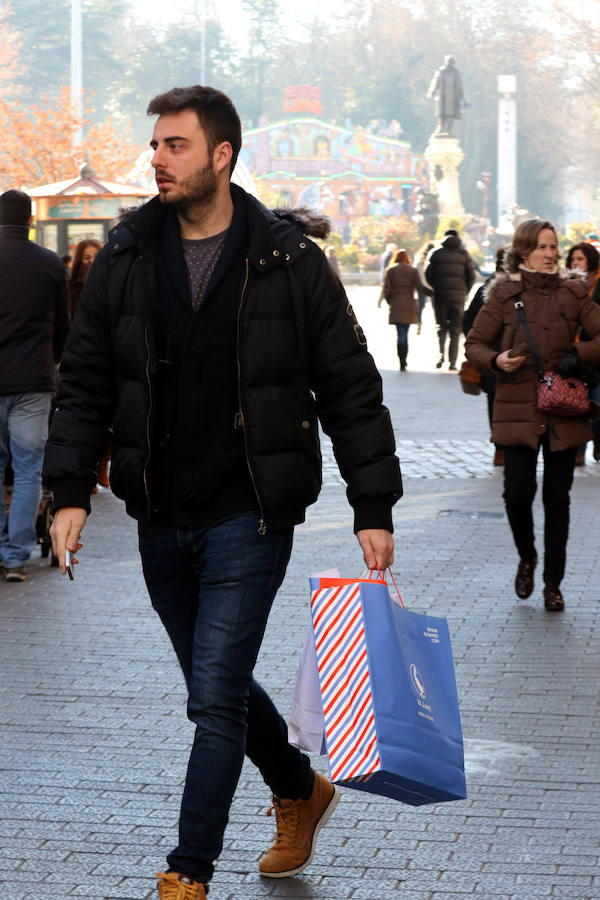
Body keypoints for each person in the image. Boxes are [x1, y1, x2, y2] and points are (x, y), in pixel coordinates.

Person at [43, 85, 402, 900]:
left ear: (221, 156)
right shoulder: (128, 254)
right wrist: (68, 489)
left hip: (252, 508)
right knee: (221, 687)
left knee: (211, 703)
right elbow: (88, 380)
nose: (157, 159)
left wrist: (371, 505)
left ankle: (187, 870)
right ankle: (298, 786)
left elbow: (350, 385)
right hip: (160, 511)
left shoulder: (289, 262)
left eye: (175, 145)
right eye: (156, 145)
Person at [465, 219, 600, 612]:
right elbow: (475, 343)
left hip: (563, 410)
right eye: (542, 247)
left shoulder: (574, 293)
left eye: (553, 246)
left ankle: (552, 584)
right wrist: (496, 360)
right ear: (523, 251)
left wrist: (583, 354)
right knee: (516, 495)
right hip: (517, 408)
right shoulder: (504, 296)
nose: (549, 253)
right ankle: (528, 555)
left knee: (558, 499)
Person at [0, 189, 69, 582]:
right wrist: (52, 360)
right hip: (32, 381)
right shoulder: (48, 264)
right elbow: (62, 326)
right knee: (28, 471)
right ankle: (16, 557)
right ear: (31, 220)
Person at [462, 247, 506, 466]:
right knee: (494, 400)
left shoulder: (524, 289)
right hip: (491, 357)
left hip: (514, 359)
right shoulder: (486, 290)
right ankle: (499, 447)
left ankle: (506, 446)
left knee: (502, 402)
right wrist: (479, 344)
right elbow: (468, 320)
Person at [565, 242, 600, 465]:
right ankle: (578, 450)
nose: (576, 263)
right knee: (575, 404)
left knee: (596, 402)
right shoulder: (566, 285)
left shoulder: (598, 284)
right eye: (573, 259)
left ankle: (597, 443)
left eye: (581, 259)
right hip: (573, 354)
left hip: (596, 354)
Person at [426, 228, 476, 370]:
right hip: (459, 297)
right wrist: (465, 289)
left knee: (441, 327)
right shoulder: (464, 254)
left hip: (440, 296)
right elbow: (471, 276)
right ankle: (453, 362)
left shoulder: (436, 253)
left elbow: (428, 274)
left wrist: (436, 286)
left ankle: (441, 354)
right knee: (455, 329)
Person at [382, 248, 433, 371]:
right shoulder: (412, 270)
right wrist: (432, 292)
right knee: (405, 333)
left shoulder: (391, 270)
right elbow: (420, 286)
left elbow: (386, 290)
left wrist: (391, 302)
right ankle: (405, 361)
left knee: (400, 334)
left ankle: (401, 361)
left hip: (396, 306)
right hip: (409, 306)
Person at [426, 55, 465, 135]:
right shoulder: (441, 71)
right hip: (442, 95)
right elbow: (435, 82)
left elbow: (459, 85)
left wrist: (461, 97)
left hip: (453, 96)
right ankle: (440, 127)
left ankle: (449, 129)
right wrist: (432, 91)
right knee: (441, 113)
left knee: (451, 113)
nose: (450, 64)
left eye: (451, 62)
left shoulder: (456, 73)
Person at [68, 238, 102, 319]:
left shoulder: (110, 284)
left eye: (96, 256)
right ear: (79, 260)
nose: (92, 261)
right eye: (87, 258)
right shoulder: (71, 287)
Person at [415, 240, 434, 334]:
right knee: (435, 307)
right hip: (432, 285)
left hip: (421, 286)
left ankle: (419, 324)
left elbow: (417, 272)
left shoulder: (419, 259)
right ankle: (436, 325)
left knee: (420, 306)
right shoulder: (434, 257)